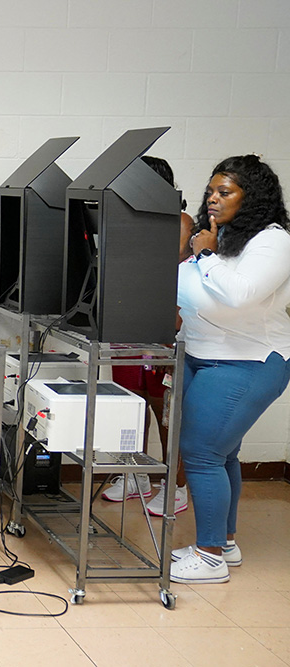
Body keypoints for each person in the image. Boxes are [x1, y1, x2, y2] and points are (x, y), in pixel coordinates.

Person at [170, 155, 290, 584]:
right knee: (223, 454)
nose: (213, 199)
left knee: (202, 454)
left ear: (251, 197)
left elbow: (240, 295)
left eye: (226, 192)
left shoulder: (272, 241)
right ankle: (225, 542)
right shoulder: (223, 236)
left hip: (248, 359)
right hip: (203, 353)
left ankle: (209, 557)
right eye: (211, 190)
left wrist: (204, 255)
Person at [103, 156, 195, 516]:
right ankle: (135, 473)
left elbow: (163, 260)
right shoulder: (125, 222)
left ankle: (176, 486)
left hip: (164, 328)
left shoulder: (180, 222)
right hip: (130, 324)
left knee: (165, 411)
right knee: (130, 404)